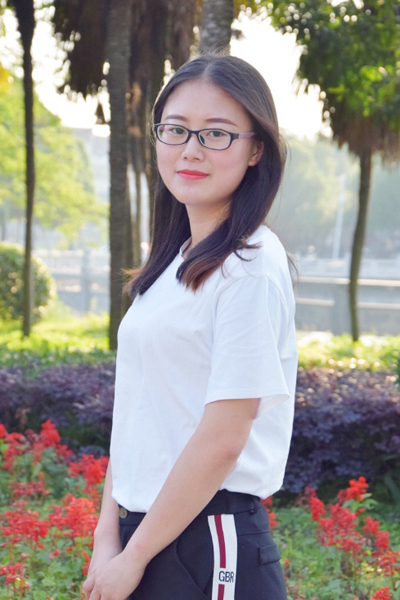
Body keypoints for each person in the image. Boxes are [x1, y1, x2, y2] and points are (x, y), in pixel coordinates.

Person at [83, 53, 298, 600]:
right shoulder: (172, 264)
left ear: (256, 149)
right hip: (143, 535)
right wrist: (107, 536)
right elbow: (138, 416)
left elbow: (224, 438)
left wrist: (134, 555)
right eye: (176, 129)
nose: (191, 149)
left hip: (208, 542)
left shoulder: (249, 265)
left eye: (217, 134)